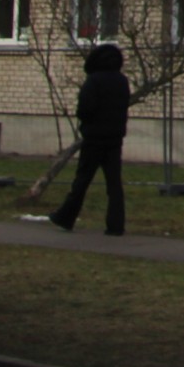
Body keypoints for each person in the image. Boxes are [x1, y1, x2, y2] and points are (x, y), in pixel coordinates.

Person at [49, 43, 132, 235]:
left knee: (82, 180)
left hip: (94, 138)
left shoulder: (93, 81)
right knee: (114, 184)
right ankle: (116, 225)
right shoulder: (122, 81)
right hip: (115, 138)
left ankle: (66, 217)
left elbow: (85, 110)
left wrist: (87, 122)